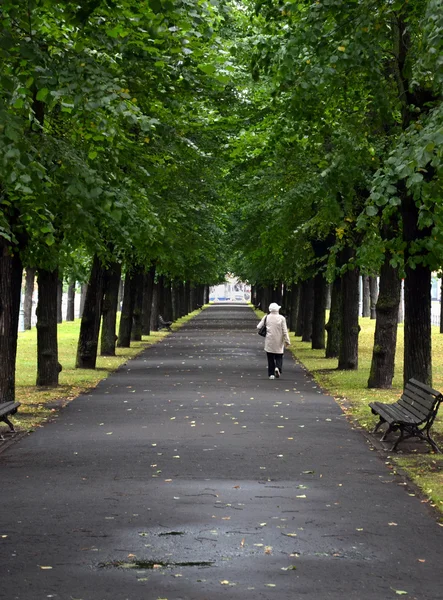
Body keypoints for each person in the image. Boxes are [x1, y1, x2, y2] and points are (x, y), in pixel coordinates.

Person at [257, 303, 291, 380]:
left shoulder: (267, 317)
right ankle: (278, 367)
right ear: (278, 309)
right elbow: (285, 331)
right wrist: (287, 341)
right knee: (279, 356)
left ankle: (271, 374)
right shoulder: (282, 318)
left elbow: (258, 326)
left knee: (270, 358)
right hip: (279, 340)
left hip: (269, 340)